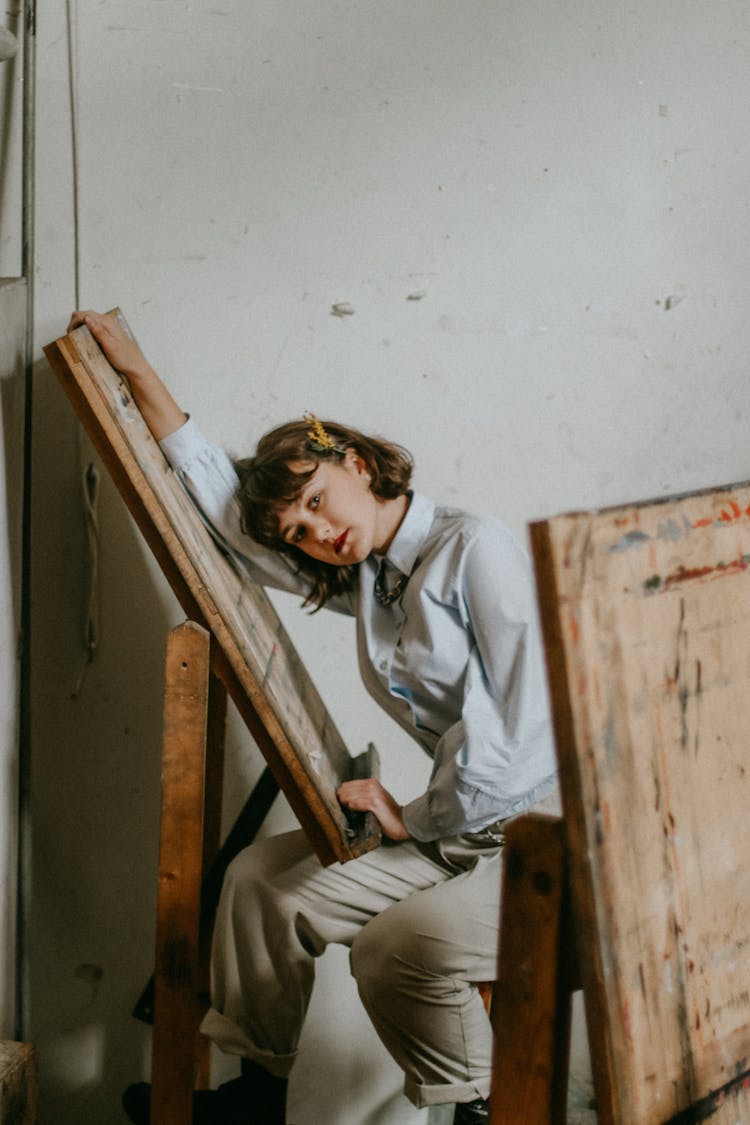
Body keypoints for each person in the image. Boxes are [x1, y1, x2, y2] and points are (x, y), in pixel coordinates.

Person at [67, 310, 559, 1125]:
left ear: (360, 464)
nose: (319, 535)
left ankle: (481, 1108)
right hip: (457, 830)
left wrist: (413, 815)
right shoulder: (373, 580)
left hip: (536, 832)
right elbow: (233, 521)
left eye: (320, 502)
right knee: (261, 884)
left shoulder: (478, 551)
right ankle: (256, 1101)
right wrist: (138, 374)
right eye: (301, 529)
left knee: (393, 951)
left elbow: (523, 730)